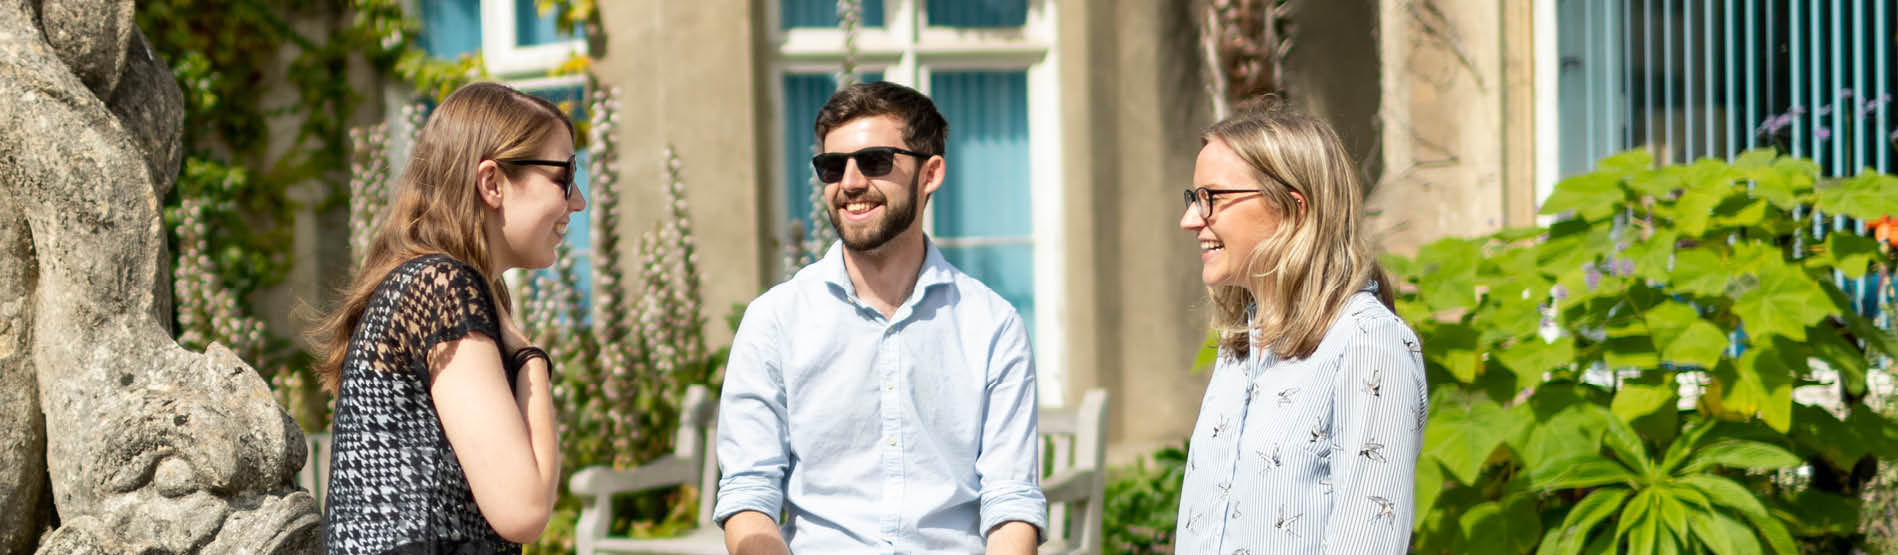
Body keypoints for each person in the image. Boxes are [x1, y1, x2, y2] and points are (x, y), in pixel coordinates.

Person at [715, 81, 1047, 554]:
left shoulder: (993, 325)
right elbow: (748, 494)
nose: (849, 182)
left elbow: (1011, 502)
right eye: (833, 167)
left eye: (875, 161)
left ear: (930, 174)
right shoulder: (774, 320)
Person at [311, 81, 582, 554]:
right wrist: (529, 356)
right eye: (564, 176)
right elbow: (524, 509)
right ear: (492, 183)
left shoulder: (424, 282)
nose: (578, 201)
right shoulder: (441, 287)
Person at [1173, 98, 1427, 554]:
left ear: (1294, 209)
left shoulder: (1367, 343)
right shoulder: (1242, 348)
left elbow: (1369, 541)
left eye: (1212, 198)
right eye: (1194, 198)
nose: (1191, 219)